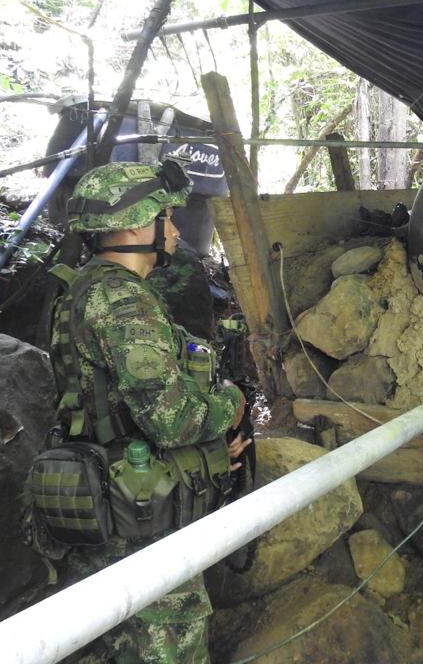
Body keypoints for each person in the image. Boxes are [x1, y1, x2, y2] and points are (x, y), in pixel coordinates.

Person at [39, 160, 251, 663]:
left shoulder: (81, 288)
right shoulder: (124, 305)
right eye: (167, 217)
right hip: (137, 525)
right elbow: (173, 421)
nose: (174, 230)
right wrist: (230, 405)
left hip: (100, 502)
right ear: (137, 225)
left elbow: (108, 409)